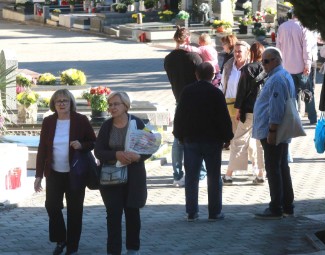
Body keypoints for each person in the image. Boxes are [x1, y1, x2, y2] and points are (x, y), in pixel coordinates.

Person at [34, 89, 96, 255]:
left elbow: (93, 142)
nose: (61, 103)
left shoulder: (80, 120)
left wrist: (81, 145)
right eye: (58, 101)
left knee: (75, 210)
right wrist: (38, 175)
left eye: (65, 100)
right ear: (53, 104)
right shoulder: (48, 121)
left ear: (71, 103)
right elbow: (42, 149)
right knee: (52, 206)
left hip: (75, 173)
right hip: (54, 173)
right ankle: (61, 240)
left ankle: (72, 246)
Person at [173, 62, 233, 222]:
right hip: (212, 140)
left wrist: (178, 135)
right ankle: (215, 212)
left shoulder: (187, 92)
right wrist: (227, 137)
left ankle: (191, 212)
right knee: (214, 176)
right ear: (213, 75)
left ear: (196, 75)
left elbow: (179, 115)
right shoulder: (216, 93)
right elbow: (223, 117)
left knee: (191, 176)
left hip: (191, 139)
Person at [94, 91, 151, 255]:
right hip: (111, 177)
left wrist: (139, 156)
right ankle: (113, 251)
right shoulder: (106, 126)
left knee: (132, 213)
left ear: (125, 105)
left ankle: (133, 249)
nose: (112, 108)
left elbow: (151, 145)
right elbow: (99, 151)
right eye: (110, 105)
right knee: (113, 215)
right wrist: (116, 155)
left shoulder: (138, 122)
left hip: (134, 177)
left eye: (116, 104)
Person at [252, 47, 296, 219]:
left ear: (276, 60)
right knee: (281, 166)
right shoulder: (280, 75)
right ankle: (287, 205)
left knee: (274, 167)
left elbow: (276, 107)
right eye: (262, 61)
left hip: (273, 130)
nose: (263, 64)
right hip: (278, 130)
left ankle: (276, 206)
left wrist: (272, 130)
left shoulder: (277, 78)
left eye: (266, 61)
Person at [164, 25, 207, 188]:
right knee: (198, 136)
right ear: (188, 39)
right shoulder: (195, 58)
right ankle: (201, 173)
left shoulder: (168, 58)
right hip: (196, 100)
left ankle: (177, 175)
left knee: (178, 138)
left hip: (179, 99)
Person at [223, 42, 267, 185]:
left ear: (251, 53)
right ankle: (261, 174)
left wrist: (238, 110)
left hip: (248, 111)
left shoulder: (248, 69)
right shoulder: (269, 69)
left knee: (239, 140)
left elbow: (241, 93)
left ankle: (229, 174)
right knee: (260, 143)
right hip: (263, 111)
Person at [276, 9, 316, 124]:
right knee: (307, 91)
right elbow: (306, 48)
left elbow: (278, 48)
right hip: (302, 67)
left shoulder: (282, 27)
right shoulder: (303, 27)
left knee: (291, 94)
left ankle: (294, 118)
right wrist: (308, 63)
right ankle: (312, 118)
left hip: (286, 67)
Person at [220, 40, 250, 173]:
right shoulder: (228, 65)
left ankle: (257, 168)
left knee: (247, 140)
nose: (237, 54)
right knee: (234, 138)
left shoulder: (251, 67)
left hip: (246, 107)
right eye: (236, 51)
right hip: (230, 105)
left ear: (247, 53)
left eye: (240, 51)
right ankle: (235, 168)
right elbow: (222, 85)